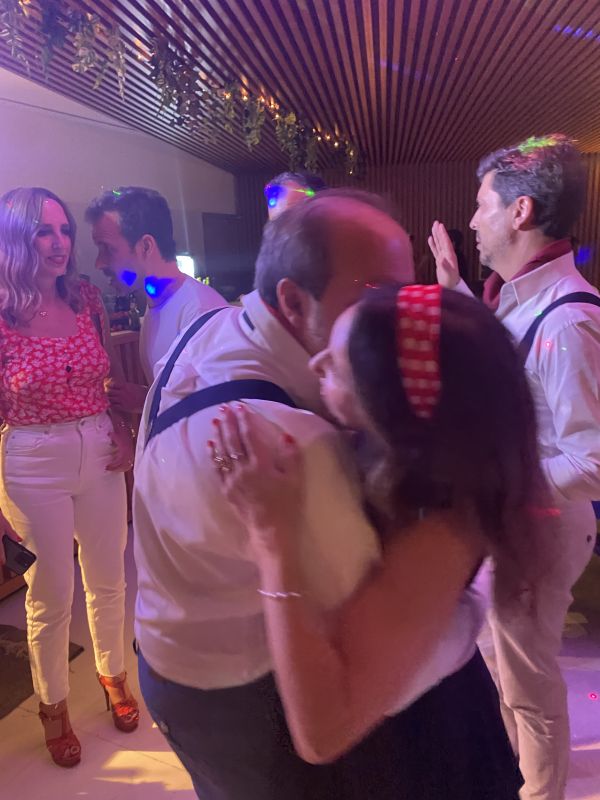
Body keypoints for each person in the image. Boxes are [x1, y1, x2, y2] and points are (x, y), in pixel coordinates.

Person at [133, 190, 522, 799]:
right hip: (249, 704)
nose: (397, 313)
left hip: (168, 667)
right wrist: (466, 602)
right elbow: (374, 670)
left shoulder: (206, 330)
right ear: (292, 299)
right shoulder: (290, 448)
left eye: (408, 292)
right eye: (377, 293)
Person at [429, 133, 600, 800]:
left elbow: (593, 459)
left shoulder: (570, 321)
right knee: (505, 667)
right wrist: (457, 293)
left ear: (520, 211)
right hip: (520, 520)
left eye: (482, 205)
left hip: (544, 527)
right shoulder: (528, 300)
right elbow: (511, 361)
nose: (473, 221)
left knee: (528, 687)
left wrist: (495, 481)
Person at [0, 187, 139, 768]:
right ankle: (53, 706)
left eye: (64, 230)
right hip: (32, 460)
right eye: (43, 231)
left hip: (99, 447)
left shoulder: (86, 297)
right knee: (50, 594)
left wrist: (123, 429)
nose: (59, 243)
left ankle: (114, 676)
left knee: (109, 579)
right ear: (16, 239)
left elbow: (105, 378)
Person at [85, 186, 225, 410]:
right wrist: (145, 398)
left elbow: (219, 410)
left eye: (108, 249)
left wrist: (144, 401)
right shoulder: (156, 304)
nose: (99, 263)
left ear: (146, 246)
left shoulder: (201, 313)